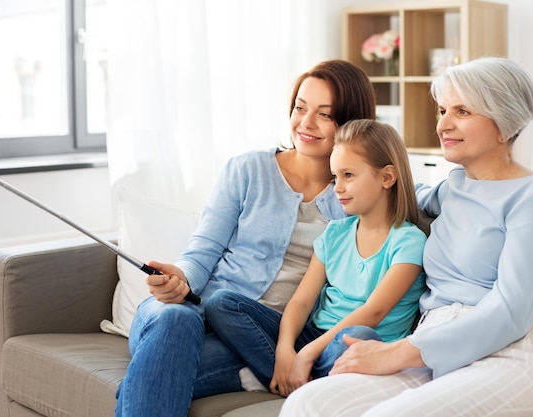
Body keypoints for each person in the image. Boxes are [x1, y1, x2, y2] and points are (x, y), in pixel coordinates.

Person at [278, 56, 533, 417]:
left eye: (462, 111)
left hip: (515, 350)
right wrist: (327, 172)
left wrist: (396, 352)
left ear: (503, 123)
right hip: (434, 347)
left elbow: (511, 312)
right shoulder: (453, 189)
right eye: (442, 110)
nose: (443, 124)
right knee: (309, 403)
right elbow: (388, 191)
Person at [114, 59, 377, 417]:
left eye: (325, 114)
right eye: (300, 108)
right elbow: (203, 250)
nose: (306, 123)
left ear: (351, 123)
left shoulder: (356, 196)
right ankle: (255, 372)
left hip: (260, 337)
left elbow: (409, 192)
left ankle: (247, 370)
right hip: (190, 313)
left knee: (153, 377)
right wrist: (181, 279)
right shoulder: (248, 170)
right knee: (177, 319)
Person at [204, 119, 427, 398]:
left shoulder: (409, 241)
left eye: (349, 175)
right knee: (221, 302)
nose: (337, 188)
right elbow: (301, 300)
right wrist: (286, 351)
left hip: (354, 346)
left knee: (359, 336)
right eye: (335, 177)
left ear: (386, 177)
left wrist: (306, 353)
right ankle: (287, 374)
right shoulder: (335, 233)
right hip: (315, 335)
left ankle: (287, 378)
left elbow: (374, 312)